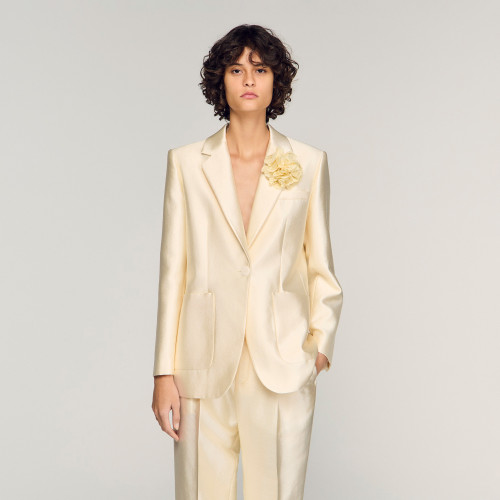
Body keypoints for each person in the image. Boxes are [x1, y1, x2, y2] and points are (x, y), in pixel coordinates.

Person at [151, 24, 343, 500]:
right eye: (237, 70)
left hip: (282, 360)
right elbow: (173, 272)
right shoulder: (186, 163)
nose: (249, 79)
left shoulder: (309, 163)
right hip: (201, 362)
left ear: (277, 80)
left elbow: (320, 265)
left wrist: (319, 345)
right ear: (221, 81)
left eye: (260, 69)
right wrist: (163, 372)